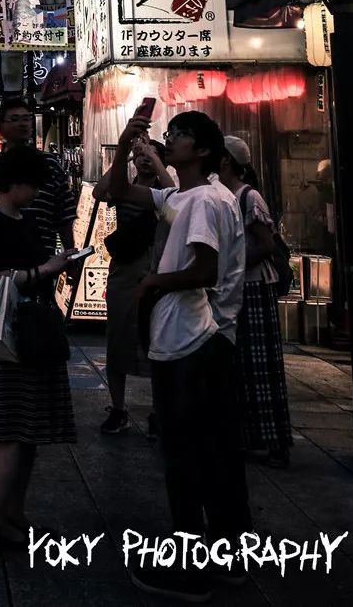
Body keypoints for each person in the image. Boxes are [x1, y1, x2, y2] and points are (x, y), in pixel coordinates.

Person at [110, 107, 249, 603]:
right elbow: (118, 192)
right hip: (192, 339)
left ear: (204, 150)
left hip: (193, 339)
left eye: (180, 135)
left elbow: (205, 270)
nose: (170, 139)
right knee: (214, 452)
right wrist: (129, 145)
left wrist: (152, 281)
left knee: (186, 455)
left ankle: (190, 570)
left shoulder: (206, 202)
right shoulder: (186, 197)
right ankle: (230, 557)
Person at [0, 145, 74, 550]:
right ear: (15, 183)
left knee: (28, 434)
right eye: (33, 186)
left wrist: (55, 262)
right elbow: (1, 276)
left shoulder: (18, 217)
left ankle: (14, 512)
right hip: (16, 337)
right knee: (14, 431)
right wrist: (46, 268)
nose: (37, 194)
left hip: (33, 331)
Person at [219, 135, 293, 469]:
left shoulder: (249, 197)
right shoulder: (225, 195)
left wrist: (231, 264)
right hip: (238, 288)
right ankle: (250, 436)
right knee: (239, 366)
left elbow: (265, 244)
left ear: (226, 161)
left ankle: (276, 441)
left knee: (261, 368)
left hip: (254, 289)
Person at [93, 139, 173, 437]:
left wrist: (154, 157)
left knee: (157, 341)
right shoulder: (124, 188)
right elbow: (100, 192)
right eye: (140, 156)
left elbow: (175, 203)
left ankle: (157, 411)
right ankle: (118, 408)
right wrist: (124, 157)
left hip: (157, 272)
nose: (144, 160)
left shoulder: (166, 194)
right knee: (117, 337)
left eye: (150, 155)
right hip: (124, 272)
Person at [0, 96, 77, 301]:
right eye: (14, 119)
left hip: (42, 260)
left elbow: (64, 214)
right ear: (0, 126)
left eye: (26, 118)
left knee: (37, 317)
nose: (23, 124)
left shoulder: (50, 164)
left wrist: (71, 255)